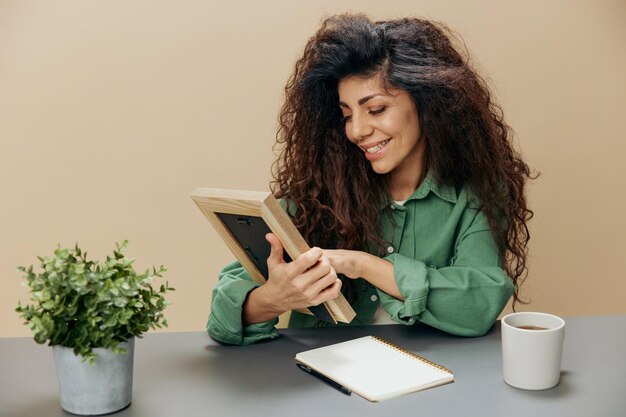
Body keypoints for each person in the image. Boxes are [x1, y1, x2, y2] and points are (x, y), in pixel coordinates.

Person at [207, 13, 534, 345]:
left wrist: (361, 265)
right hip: (320, 378)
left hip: (430, 379)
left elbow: (478, 304)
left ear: (429, 104)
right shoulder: (320, 186)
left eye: (376, 109)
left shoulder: (476, 193)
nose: (357, 131)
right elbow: (221, 315)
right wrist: (273, 298)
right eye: (347, 115)